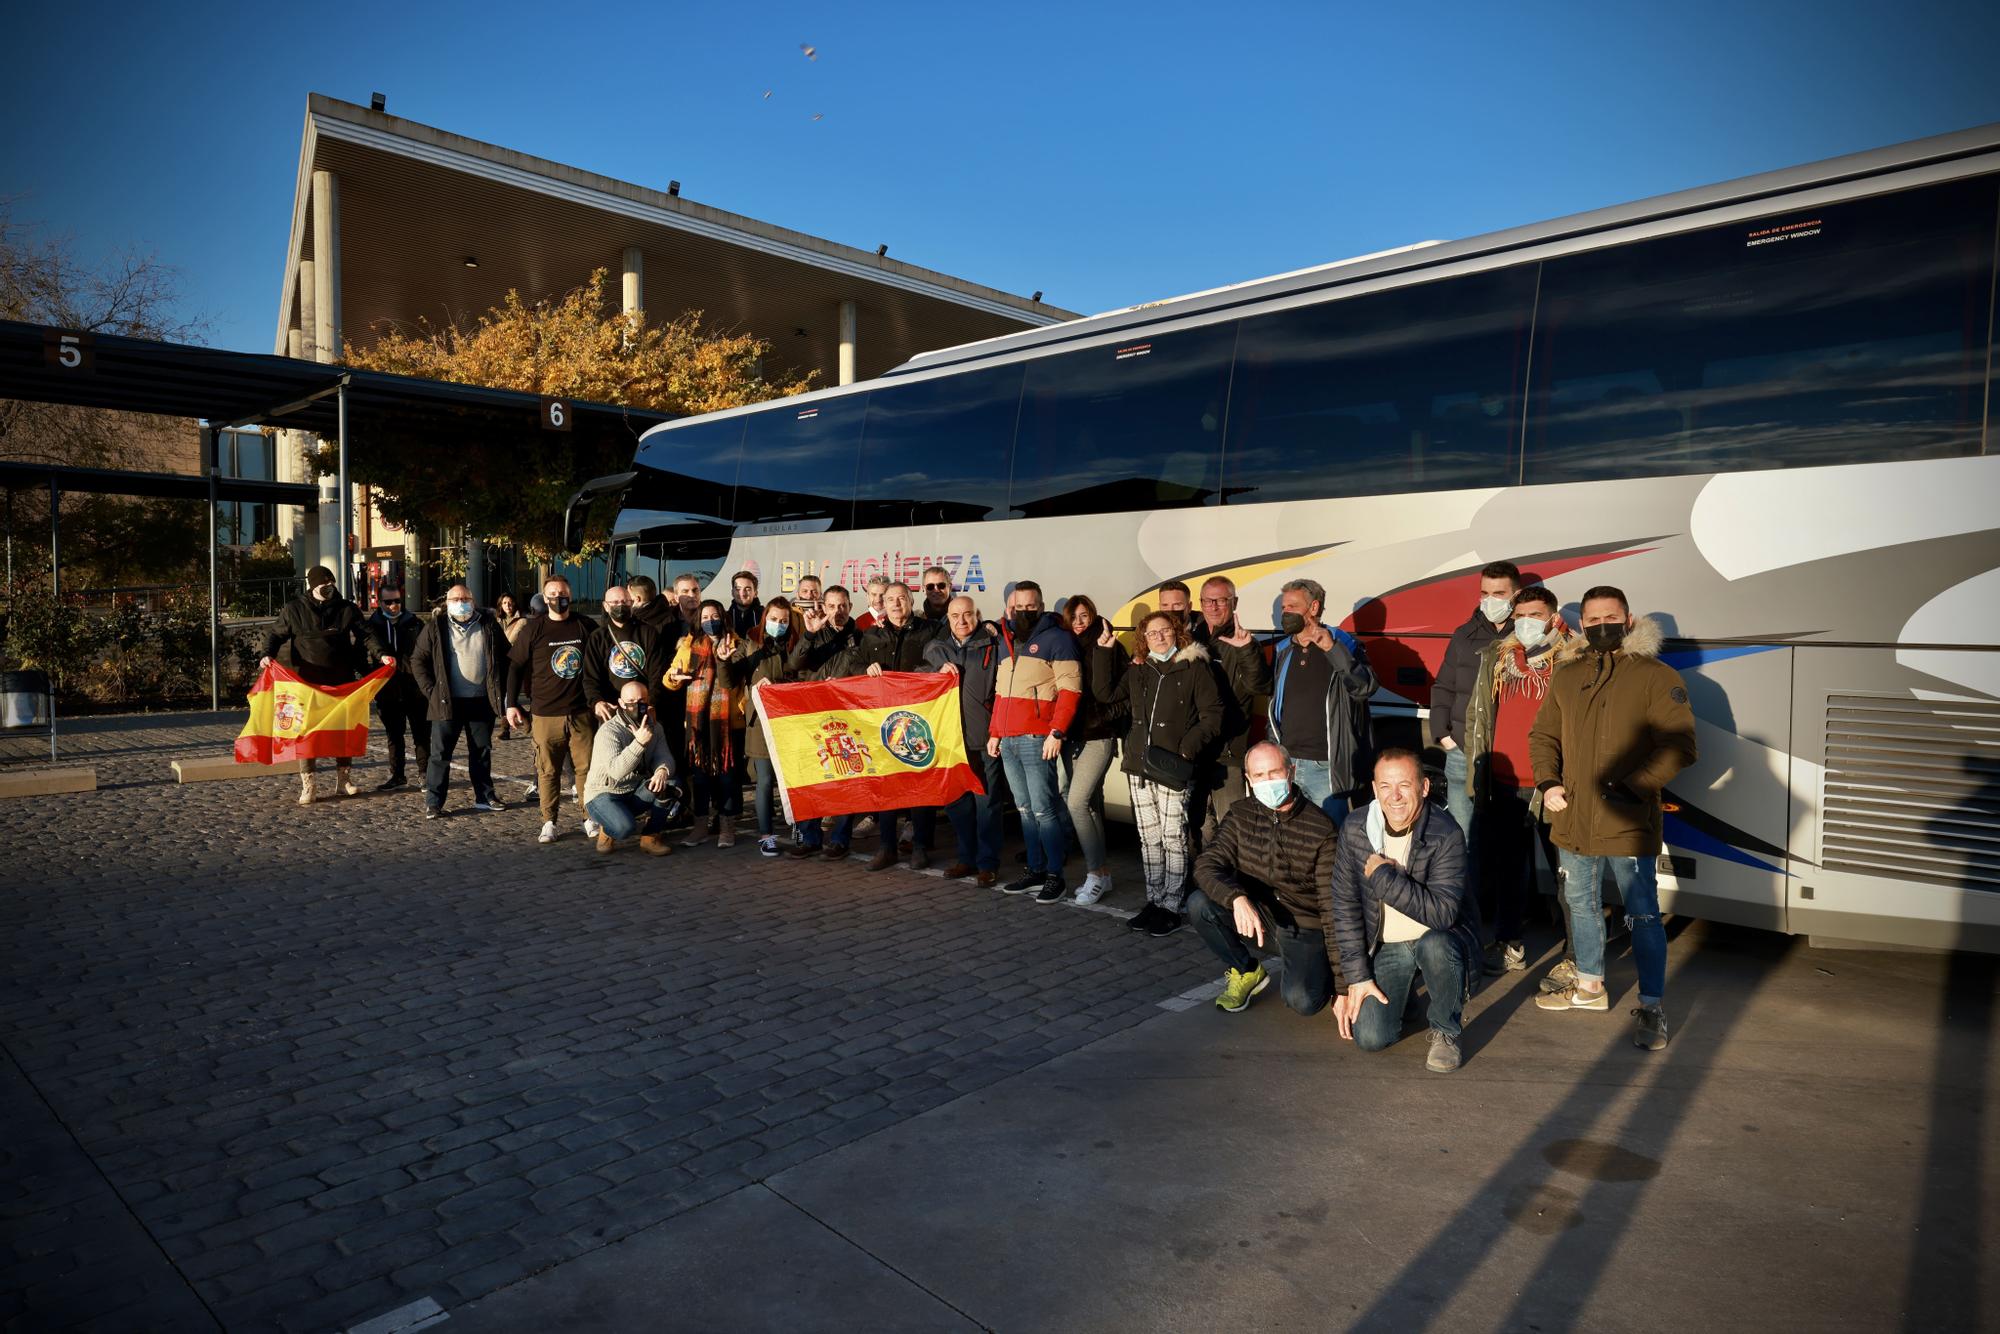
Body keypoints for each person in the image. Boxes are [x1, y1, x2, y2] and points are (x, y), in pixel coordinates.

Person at [1530, 586, 1697, 1051]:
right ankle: (1590, 987)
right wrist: (1548, 782)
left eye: (1611, 616)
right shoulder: (1566, 675)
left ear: (1628, 620)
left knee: (1643, 915)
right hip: (1572, 821)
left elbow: (1681, 745)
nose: (1601, 625)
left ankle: (1651, 1004)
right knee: (1581, 905)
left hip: (1628, 823)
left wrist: (1634, 787)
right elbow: (1543, 734)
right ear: (1582, 625)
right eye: (1593, 619)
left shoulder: (1655, 676)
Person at [1331, 749, 1481, 1074]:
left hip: (1437, 938)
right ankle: (1405, 995)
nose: (1395, 796)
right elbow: (1343, 906)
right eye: (1385, 786)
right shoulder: (1356, 828)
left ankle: (1446, 1029)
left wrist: (1383, 877)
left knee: (1436, 945)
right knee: (1370, 1038)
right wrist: (1353, 978)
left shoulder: (1447, 833)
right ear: (1374, 789)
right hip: (1388, 946)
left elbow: (1442, 914)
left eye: (1404, 785)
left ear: (1424, 787)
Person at [1463, 585, 1576, 974]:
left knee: (1567, 875)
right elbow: (1478, 716)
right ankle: (1510, 943)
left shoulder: (1572, 658)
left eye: (1536, 614)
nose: (1526, 622)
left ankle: (1576, 957)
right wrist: (1476, 775)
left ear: (1553, 615)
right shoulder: (1497, 657)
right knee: (1510, 872)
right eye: (1521, 614)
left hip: (1552, 786)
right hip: (1504, 783)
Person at [1185, 742, 1342, 1015]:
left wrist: (1344, 985)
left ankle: (1320, 966)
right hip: (1261, 918)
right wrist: (1237, 898)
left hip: (1304, 926)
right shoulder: (1241, 813)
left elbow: (1333, 907)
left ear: (1291, 773)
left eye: (1274, 773)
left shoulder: (1321, 828)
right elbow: (1206, 864)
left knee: (1303, 1001)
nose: (1267, 782)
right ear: (1248, 779)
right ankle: (1247, 971)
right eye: (1259, 776)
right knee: (1200, 904)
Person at [1114, 611, 1223, 934]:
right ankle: (1154, 899)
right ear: (1143, 640)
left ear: (1177, 633)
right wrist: (1106, 652)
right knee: (1148, 838)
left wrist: (1186, 748)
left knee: (1172, 837)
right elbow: (1108, 696)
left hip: (1173, 766)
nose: (1159, 637)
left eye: (1164, 631)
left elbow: (1213, 715)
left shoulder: (1194, 667)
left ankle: (1172, 905)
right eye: (1151, 633)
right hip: (1139, 765)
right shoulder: (1140, 670)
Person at [1236, 577, 1376, 821]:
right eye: (1283, 608)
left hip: (1324, 766)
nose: (1285, 612)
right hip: (1285, 763)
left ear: (1313, 608)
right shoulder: (1284, 649)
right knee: (1287, 836)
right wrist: (1247, 650)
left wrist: (1332, 649)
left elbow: (1364, 687)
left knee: (1329, 835)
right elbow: (1265, 690)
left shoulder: (1342, 642)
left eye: (1292, 606)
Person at [1430, 560, 1523, 910]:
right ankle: (1466, 915)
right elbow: (1443, 687)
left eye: (1498, 593)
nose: (1490, 600)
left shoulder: (1524, 637)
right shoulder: (1463, 635)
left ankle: (1505, 921)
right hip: (1462, 755)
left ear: (1515, 595)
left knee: (1505, 845)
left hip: (1506, 760)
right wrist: (1443, 735)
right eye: (1484, 593)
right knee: (1461, 841)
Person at [259, 564, 392, 805]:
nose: (329, 588)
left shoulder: (346, 609)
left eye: (332, 584)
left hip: (341, 682)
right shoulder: (294, 609)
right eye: (324, 585)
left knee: (342, 731)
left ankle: (344, 780)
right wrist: (267, 654)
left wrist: (381, 654)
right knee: (307, 734)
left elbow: (366, 634)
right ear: (313, 586)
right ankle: (309, 784)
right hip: (307, 683)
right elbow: (275, 635)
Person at [988, 581, 1080, 902]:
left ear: (1040, 606)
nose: (1023, 612)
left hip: (1037, 737)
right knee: (1024, 810)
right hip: (1009, 739)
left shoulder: (1058, 639)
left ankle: (1056, 876)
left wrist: (1057, 731)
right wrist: (995, 732)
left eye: (1030, 607)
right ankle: (1035, 869)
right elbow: (1001, 692)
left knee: (1044, 810)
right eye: (1018, 608)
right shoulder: (1005, 639)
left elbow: (1071, 690)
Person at [845, 581, 943, 870]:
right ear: (882, 605)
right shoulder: (870, 635)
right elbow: (853, 667)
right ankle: (887, 847)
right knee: (886, 787)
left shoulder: (931, 631)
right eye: (890, 600)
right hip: (883, 724)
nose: (896, 604)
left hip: (917, 722)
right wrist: (866, 669)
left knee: (919, 788)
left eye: (902, 598)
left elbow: (942, 659)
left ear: (912, 601)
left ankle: (920, 847)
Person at [505, 576, 599, 844]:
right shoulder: (533, 629)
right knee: (548, 771)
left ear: (571, 595)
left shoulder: (585, 625)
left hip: (581, 712)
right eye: (553, 594)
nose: (559, 597)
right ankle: (549, 821)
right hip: (545, 713)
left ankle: (588, 817)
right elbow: (515, 667)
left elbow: (601, 661)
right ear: (545, 599)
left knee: (586, 769)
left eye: (564, 592)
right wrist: (511, 703)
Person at [410, 584, 509, 819]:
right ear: (448, 602)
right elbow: (418, 660)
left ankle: (484, 797)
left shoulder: (488, 625)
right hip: (447, 701)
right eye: (456, 598)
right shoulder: (436, 627)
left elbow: (506, 656)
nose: (461, 601)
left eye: (465, 598)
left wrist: (501, 689)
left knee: (482, 752)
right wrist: (431, 691)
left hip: (481, 700)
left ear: (473, 601)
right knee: (440, 754)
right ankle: (434, 802)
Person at [927, 595, 1003, 885]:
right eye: (955, 615)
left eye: (968, 615)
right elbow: (930, 648)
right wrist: (939, 665)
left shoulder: (992, 645)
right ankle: (966, 859)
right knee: (957, 804)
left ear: (978, 615)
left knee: (988, 805)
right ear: (948, 618)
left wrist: (997, 730)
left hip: (984, 738)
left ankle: (987, 863)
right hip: (951, 740)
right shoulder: (940, 647)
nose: (962, 621)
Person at [1060, 594, 1129, 905]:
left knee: (1077, 802)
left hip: (1097, 735)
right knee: (1090, 804)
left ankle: (1094, 874)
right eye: (1073, 616)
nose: (1078, 622)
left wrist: (1104, 718)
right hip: (1070, 736)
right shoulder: (1064, 646)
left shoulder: (1109, 643)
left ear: (1094, 615)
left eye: (1084, 615)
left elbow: (1122, 692)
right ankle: (1104, 873)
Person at [1187, 575, 1264, 852]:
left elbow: (1260, 685)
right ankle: (1202, 882)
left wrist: (1247, 652)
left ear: (1234, 603)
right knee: (1196, 821)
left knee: (1231, 824)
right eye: (1208, 600)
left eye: (1221, 600)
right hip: (1196, 747)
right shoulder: (1191, 638)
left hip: (1228, 749)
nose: (1214, 606)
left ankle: (1233, 888)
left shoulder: (1242, 641)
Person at [788, 584, 864, 857]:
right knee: (812, 777)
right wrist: (809, 633)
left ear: (850, 607)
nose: (837, 611)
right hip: (814, 717)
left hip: (846, 718)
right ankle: (811, 837)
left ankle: (840, 839)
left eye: (842, 606)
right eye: (832, 606)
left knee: (845, 779)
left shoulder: (861, 637)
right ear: (823, 607)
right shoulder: (815, 635)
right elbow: (795, 664)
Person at [666, 599, 748, 847]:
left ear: (723, 617)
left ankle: (727, 826)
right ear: (698, 621)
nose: (710, 621)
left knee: (728, 778)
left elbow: (740, 683)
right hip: (698, 725)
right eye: (704, 617)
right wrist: (674, 678)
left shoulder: (738, 644)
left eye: (714, 616)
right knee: (700, 778)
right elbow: (669, 678)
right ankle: (700, 826)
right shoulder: (689, 646)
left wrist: (741, 707)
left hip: (727, 724)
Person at [724, 596, 799, 857]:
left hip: (790, 722)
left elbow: (803, 676)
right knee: (765, 781)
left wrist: (778, 685)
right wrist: (724, 660)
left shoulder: (794, 644)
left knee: (793, 778)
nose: (778, 624)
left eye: (784, 620)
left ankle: (798, 828)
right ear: (764, 618)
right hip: (759, 722)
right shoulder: (749, 644)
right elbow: (729, 679)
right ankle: (766, 835)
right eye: (774, 619)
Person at [583, 678, 679, 856]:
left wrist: (662, 771)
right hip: (604, 793)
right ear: (620, 703)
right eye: (630, 702)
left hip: (633, 790)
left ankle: (650, 836)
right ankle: (608, 829)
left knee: (672, 782)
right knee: (624, 828)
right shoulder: (609, 731)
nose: (637, 706)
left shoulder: (655, 727)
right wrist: (639, 744)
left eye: (642, 701)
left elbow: (664, 756)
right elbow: (616, 771)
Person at [366, 587, 429, 790]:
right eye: (388, 602)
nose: (394, 605)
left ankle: (425, 773)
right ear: (380, 603)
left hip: (414, 687)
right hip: (387, 689)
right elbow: (363, 650)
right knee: (394, 735)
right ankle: (398, 775)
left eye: (397, 601)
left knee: (421, 733)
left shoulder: (414, 623)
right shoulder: (372, 626)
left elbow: (427, 651)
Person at [582, 583, 668, 729]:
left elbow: (657, 673)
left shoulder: (648, 633)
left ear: (632, 603)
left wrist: (651, 703)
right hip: (612, 711)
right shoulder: (598, 637)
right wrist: (596, 701)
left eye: (625, 602)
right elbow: (590, 677)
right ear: (606, 606)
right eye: (615, 602)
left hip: (644, 709)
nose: (620, 606)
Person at [493, 591, 528, 739]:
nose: (508, 605)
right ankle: (509, 727)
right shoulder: (495, 621)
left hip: (514, 662)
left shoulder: (522, 621)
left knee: (508, 697)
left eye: (510, 602)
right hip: (498, 663)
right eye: (504, 603)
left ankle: (519, 722)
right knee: (501, 697)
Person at [727, 569, 764, 642]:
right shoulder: (726, 618)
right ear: (732, 592)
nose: (743, 593)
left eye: (748, 589)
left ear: (755, 593)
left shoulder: (765, 616)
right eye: (738, 589)